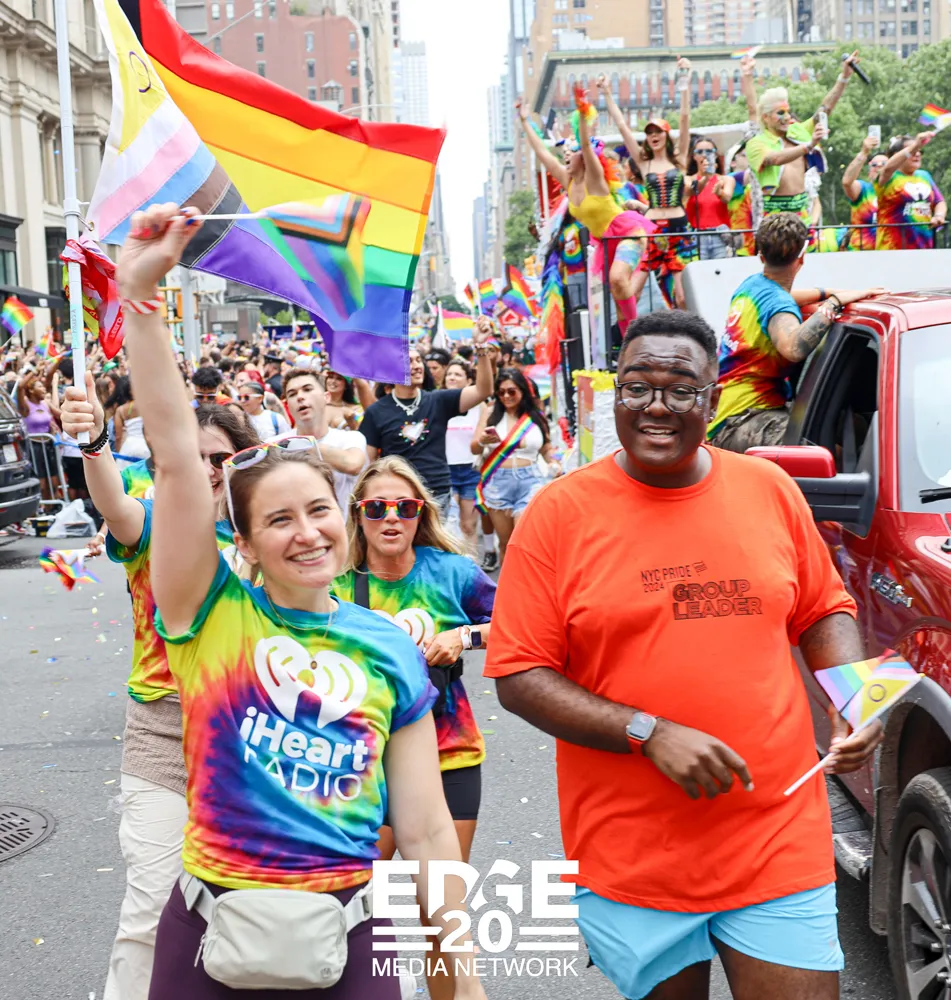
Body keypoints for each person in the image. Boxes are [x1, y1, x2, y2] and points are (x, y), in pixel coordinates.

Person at [113, 202, 487, 1000]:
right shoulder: (208, 615)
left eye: (318, 510)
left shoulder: (386, 645)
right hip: (209, 935)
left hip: (350, 938)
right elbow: (176, 460)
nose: (308, 533)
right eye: (278, 520)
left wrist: (463, 980)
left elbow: (425, 831)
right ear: (243, 544)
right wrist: (140, 297)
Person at [484, 308, 884, 1000]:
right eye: (637, 387)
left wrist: (853, 698)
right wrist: (647, 732)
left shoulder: (768, 491)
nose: (656, 406)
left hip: (776, 831)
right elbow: (518, 674)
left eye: (680, 390)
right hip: (632, 854)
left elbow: (823, 608)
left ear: (712, 397)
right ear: (615, 390)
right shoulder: (556, 516)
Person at [60, 376, 260, 1000]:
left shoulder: (268, 531)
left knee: (251, 914)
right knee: (151, 910)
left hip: (253, 735)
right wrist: (94, 442)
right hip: (163, 733)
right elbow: (114, 507)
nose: (207, 470)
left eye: (220, 458)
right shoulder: (151, 521)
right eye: (191, 457)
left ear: (243, 462)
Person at [334, 455, 495, 1000]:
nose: (391, 518)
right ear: (358, 515)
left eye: (404, 507)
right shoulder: (335, 585)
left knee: (441, 917)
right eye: (376, 508)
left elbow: (521, 622)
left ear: (421, 513)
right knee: (354, 912)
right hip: (363, 767)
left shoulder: (452, 574)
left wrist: (463, 637)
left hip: (450, 757)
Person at [708, 213, 883, 453]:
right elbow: (793, 348)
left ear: (761, 256)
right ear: (802, 257)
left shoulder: (751, 286)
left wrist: (834, 293)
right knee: (828, 452)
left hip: (725, 415)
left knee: (854, 426)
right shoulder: (778, 306)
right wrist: (833, 304)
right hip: (741, 421)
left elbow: (785, 297)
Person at [516, 86, 654, 326]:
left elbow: (587, 145)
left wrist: (582, 111)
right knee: (618, 297)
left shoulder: (595, 179)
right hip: (604, 242)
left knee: (618, 279)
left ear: (583, 156)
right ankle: (629, 340)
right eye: (564, 153)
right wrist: (525, 121)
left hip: (628, 234)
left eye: (571, 151)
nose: (566, 155)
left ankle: (635, 331)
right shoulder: (568, 181)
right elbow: (542, 153)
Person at [358, 326, 494, 514]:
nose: (417, 366)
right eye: (409, 361)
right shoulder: (376, 412)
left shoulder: (438, 400)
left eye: (418, 360)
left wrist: (481, 346)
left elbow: (483, 390)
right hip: (401, 501)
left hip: (439, 496)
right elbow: (369, 462)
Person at [599, 58, 693, 309]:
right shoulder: (643, 163)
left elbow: (685, 119)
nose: (653, 136)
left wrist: (684, 81)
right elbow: (622, 127)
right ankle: (628, 332)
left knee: (683, 297)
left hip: (678, 231)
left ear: (666, 136)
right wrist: (607, 94)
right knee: (633, 292)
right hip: (652, 231)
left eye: (658, 132)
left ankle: (688, 333)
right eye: (649, 133)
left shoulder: (679, 160)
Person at [745, 56, 860, 225]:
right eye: (780, 113)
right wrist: (809, 146)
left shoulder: (797, 132)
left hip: (802, 214)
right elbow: (774, 159)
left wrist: (844, 77)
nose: (787, 117)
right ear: (766, 117)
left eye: (788, 111)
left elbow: (825, 109)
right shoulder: (757, 143)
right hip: (774, 216)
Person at [471, 368, 554, 564]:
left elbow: (546, 447)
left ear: (522, 391)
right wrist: (482, 440)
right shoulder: (490, 412)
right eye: (501, 392)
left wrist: (554, 461)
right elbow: (474, 448)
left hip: (530, 481)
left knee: (524, 540)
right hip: (498, 483)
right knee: (506, 543)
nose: (506, 396)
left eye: (511, 391)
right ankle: (509, 582)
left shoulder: (535, 416)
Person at [282, 367, 366, 513]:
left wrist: (299, 444)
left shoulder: (351, 438)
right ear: (288, 404)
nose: (300, 397)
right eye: (292, 394)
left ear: (326, 397)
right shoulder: (273, 444)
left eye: (307, 389)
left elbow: (353, 464)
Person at [875, 131, 947, 250]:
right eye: (913, 151)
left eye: (919, 151)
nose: (917, 154)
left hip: (924, 248)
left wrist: (939, 215)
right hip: (892, 249)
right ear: (897, 155)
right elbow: (887, 168)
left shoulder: (924, 175)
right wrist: (915, 145)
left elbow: (939, 202)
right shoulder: (888, 176)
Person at [443, 359, 483, 554]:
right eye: (449, 374)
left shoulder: (479, 407)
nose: (452, 377)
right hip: (445, 471)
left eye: (458, 374)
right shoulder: (436, 402)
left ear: (468, 381)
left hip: (471, 471)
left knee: (468, 526)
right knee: (449, 523)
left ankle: (472, 565)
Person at [685, 138, 734, 261]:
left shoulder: (726, 179)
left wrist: (719, 192)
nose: (704, 155)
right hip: (696, 236)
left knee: (722, 270)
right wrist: (705, 177)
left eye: (709, 151)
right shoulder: (688, 179)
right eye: (700, 151)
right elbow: (690, 191)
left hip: (720, 235)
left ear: (715, 155)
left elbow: (727, 198)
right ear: (694, 156)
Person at [17, 373, 60, 499]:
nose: (44, 389)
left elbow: (59, 414)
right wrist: (34, 371)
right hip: (34, 447)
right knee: (41, 485)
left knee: (54, 482)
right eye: (40, 386)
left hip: (49, 445)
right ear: (31, 390)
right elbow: (20, 387)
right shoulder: (25, 405)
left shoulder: (45, 403)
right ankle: (43, 507)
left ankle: (54, 507)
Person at [841, 134, 887, 251]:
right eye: (874, 165)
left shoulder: (898, 190)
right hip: (861, 252)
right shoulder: (863, 188)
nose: (879, 167)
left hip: (890, 250)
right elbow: (847, 182)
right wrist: (864, 152)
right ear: (869, 170)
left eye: (884, 164)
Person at [106, 376, 151, 460]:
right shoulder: (148, 405)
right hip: (147, 445)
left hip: (129, 446)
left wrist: (119, 455)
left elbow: (118, 436)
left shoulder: (121, 410)